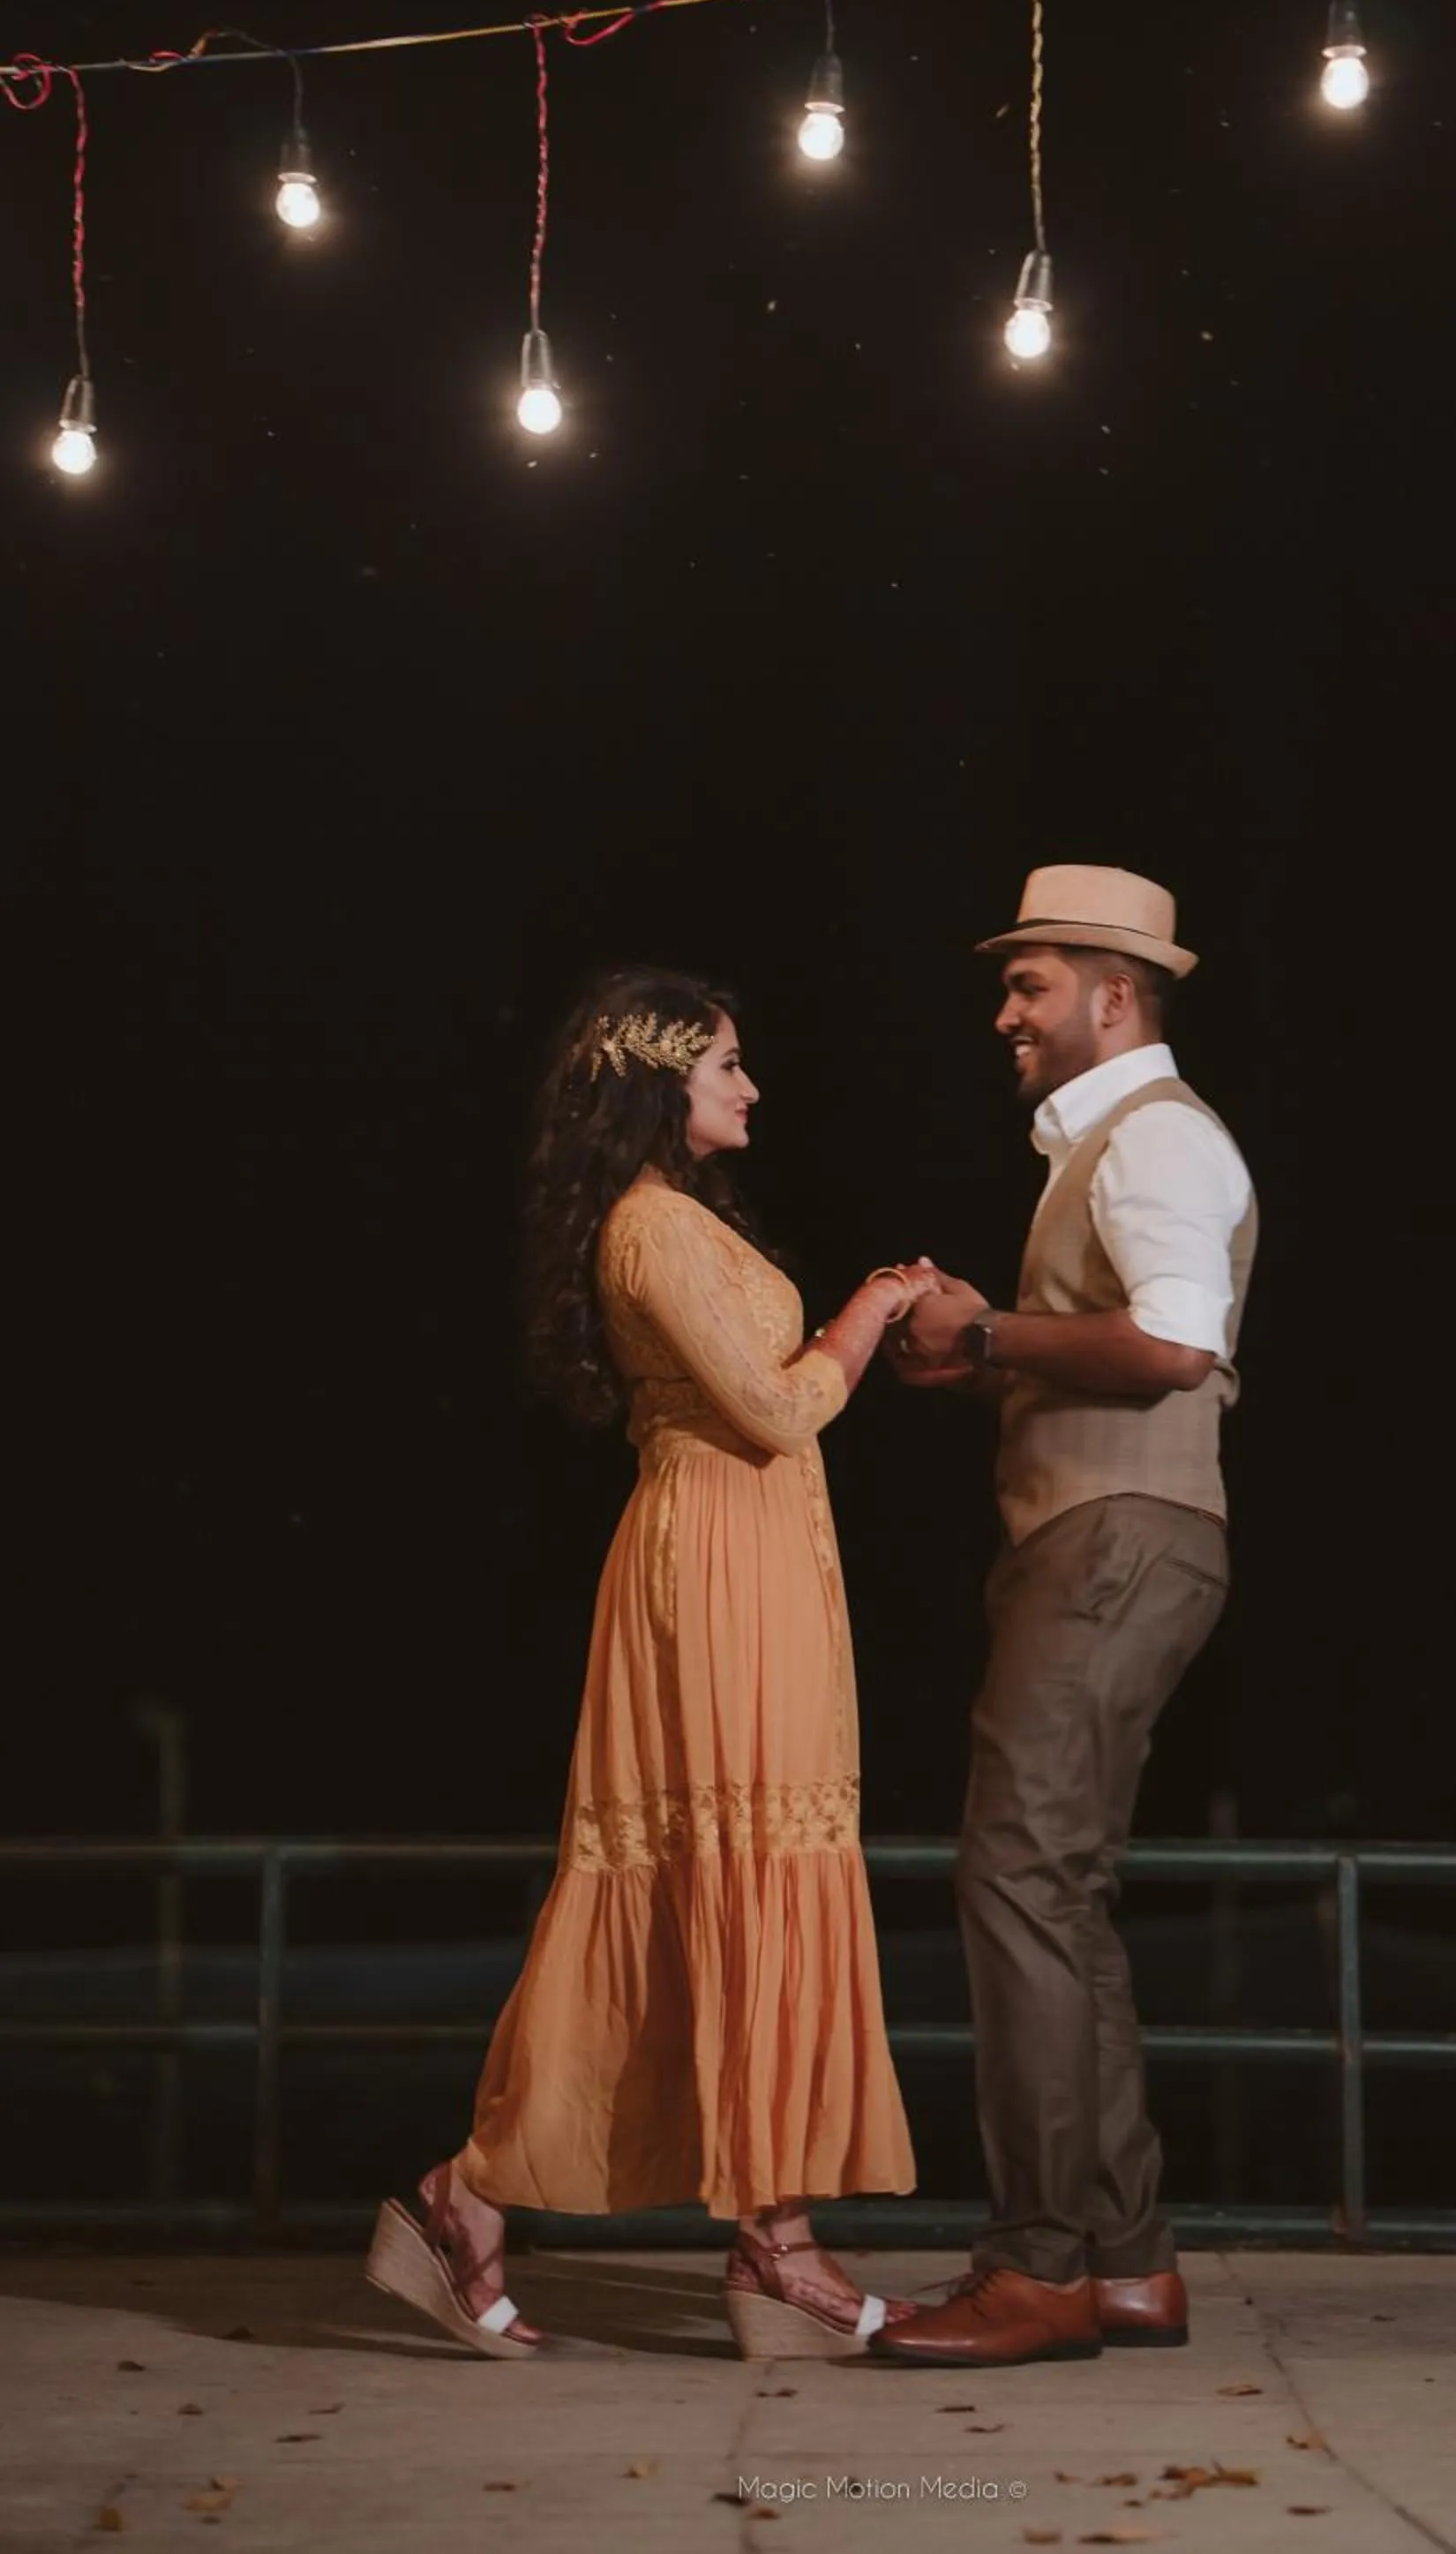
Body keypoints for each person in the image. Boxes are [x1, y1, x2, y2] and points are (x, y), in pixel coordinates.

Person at [366, 967, 933, 2361]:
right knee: (724, 1874)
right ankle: (505, 2200)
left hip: (761, 1564)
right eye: (728, 1064)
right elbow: (772, 1407)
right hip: (712, 1574)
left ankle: (760, 2240)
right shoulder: (649, 1229)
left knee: (766, 1874)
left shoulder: (686, 1221)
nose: (750, 1089)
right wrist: (869, 1310)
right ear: (659, 1078)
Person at [869, 865, 1257, 2370]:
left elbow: (1171, 1346)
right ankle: (1125, 2262)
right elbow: (1127, 1341)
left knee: (1016, 1879)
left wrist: (992, 1332)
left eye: (1030, 985)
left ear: (1115, 992)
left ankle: (1037, 2267)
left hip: (1112, 1539)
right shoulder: (1113, 1146)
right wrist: (992, 1357)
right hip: (1111, 1536)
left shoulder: (1154, 1138)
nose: (1004, 1012)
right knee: (1058, 1892)